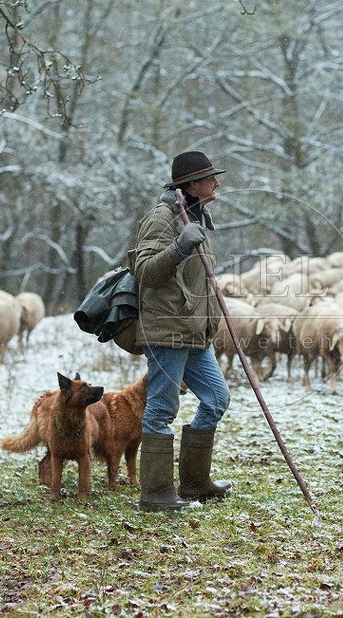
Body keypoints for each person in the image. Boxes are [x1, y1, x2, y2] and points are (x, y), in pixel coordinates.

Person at [129, 150, 233, 511]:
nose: (217, 183)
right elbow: (146, 271)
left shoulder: (197, 216)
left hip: (194, 332)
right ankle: (156, 494)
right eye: (210, 178)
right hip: (166, 329)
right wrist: (178, 245)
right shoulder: (162, 219)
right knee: (161, 410)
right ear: (192, 185)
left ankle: (195, 484)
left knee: (217, 399)